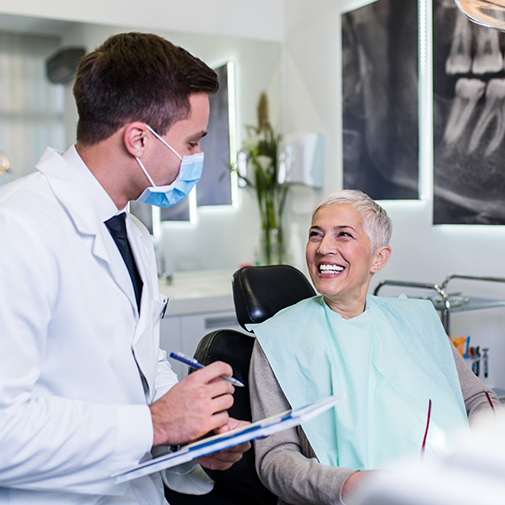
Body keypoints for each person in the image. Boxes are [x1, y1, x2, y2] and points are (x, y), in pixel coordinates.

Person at [0, 32, 249, 504]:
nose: (195, 158)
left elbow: (139, 362)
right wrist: (156, 424)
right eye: (192, 142)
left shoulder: (132, 233)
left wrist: (189, 435)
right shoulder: (17, 228)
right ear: (138, 138)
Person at [249, 189, 502, 505]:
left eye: (344, 236)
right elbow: (274, 458)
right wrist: (349, 485)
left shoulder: (417, 320)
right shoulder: (278, 339)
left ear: (378, 258)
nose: (324, 248)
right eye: (316, 235)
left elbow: (477, 397)